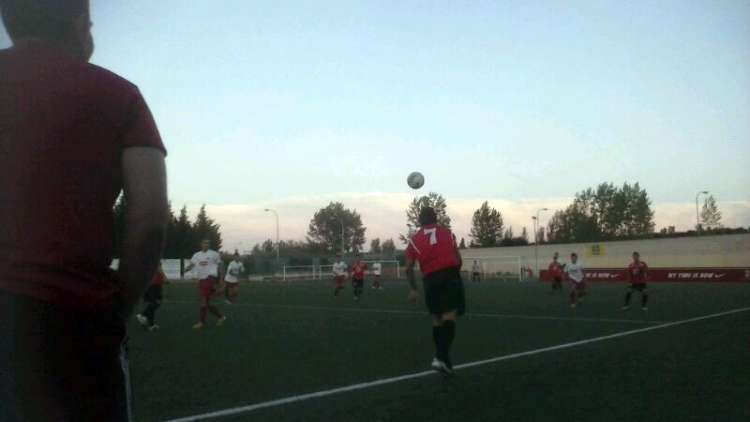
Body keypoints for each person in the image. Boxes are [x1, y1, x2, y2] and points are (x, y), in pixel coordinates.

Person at [0, 1, 168, 420]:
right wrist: (118, 308)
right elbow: (149, 217)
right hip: (72, 321)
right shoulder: (121, 95)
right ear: (79, 24)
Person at [405, 207, 464, 375]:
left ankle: (445, 362)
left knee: (437, 320)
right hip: (449, 276)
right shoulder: (447, 233)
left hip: (429, 280)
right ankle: (440, 357)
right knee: (449, 316)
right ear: (435, 218)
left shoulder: (414, 240)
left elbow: (408, 268)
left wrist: (413, 289)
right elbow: (458, 259)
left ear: (420, 221)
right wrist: (454, 275)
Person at [185, 240, 226, 329]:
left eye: (207, 243)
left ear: (209, 245)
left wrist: (221, 279)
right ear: (201, 244)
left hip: (210, 279)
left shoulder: (214, 254)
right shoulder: (196, 255)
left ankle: (201, 322)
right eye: (204, 243)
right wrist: (186, 269)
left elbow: (221, 265)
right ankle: (221, 317)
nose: (206, 244)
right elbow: (192, 264)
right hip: (202, 280)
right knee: (208, 303)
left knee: (203, 301)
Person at [136, 262, 167, 331]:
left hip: (151, 284)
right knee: (155, 303)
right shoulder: (154, 258)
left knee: (153, 304)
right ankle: (145, 318)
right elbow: (159, 268)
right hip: (154, 284)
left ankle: (147, 320)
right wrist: (165, 277)